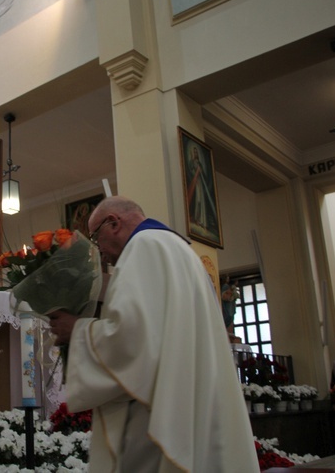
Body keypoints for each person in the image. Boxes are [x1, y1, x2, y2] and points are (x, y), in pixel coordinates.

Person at [47, 196, 258, 472]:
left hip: (160, 410)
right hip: (193, 396)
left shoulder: (143, 248)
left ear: (113, 223)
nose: (101, 252)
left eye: (97, 240)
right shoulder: (178, 249)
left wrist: (76, 329)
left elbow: (133, 340)